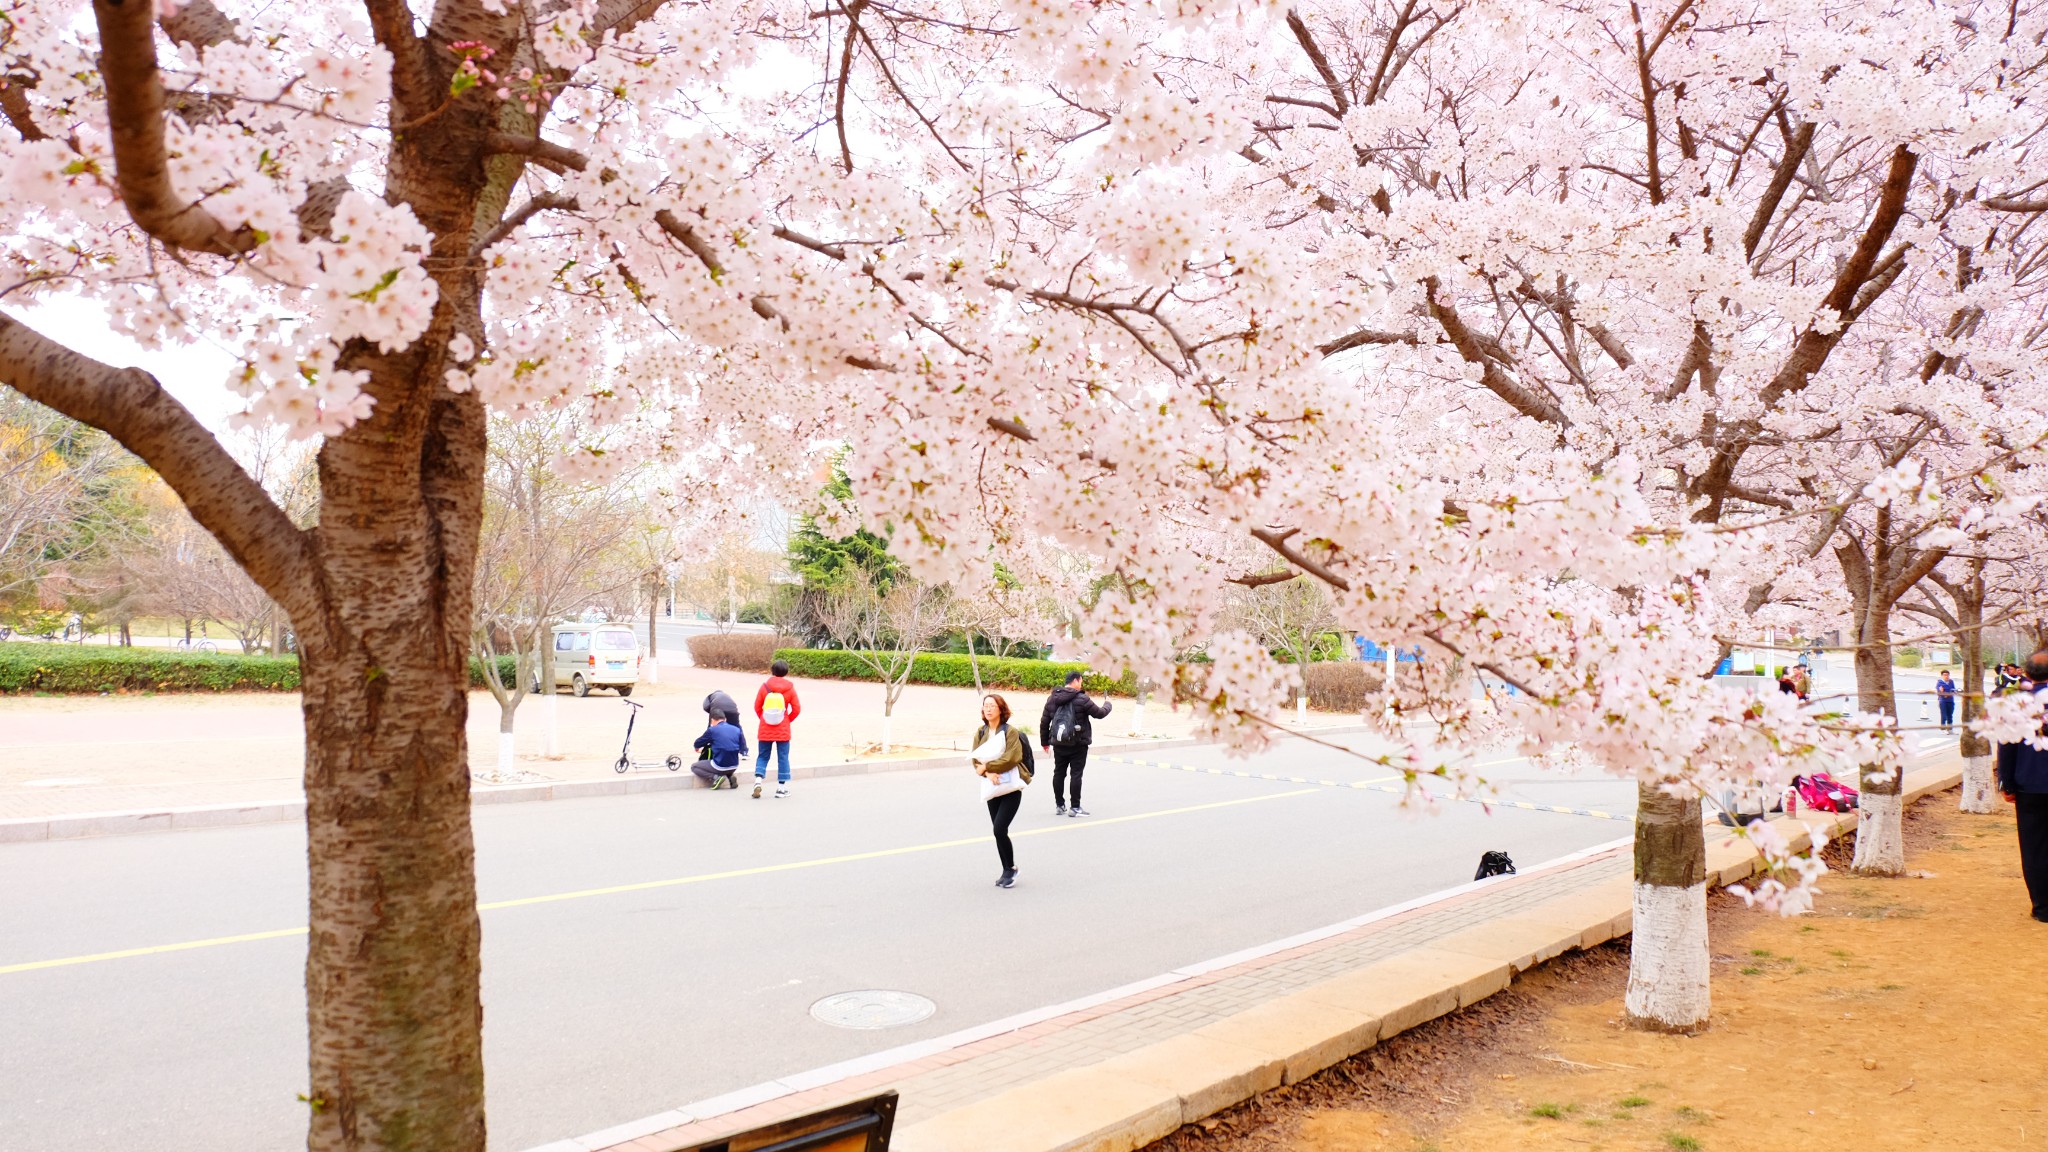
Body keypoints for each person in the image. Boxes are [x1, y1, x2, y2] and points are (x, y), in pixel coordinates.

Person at [1993, 650, 2048, 923]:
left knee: (2034, 847)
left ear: (2025, 674)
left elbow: (2006, 745)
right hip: (2031, 783)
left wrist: (2007, 782)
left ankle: (2042, 907)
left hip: (2029, 784)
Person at [972, 693, 1032, 888]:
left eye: (992, 705)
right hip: (992, 787)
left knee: (999, 828)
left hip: (1011, 788)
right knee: (999, 832)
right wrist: (986, 774)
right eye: (985, 706)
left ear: (1001, 709)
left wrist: (988, 768)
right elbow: (975, 759)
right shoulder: (980, 733)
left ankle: (1011, 869)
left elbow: (1012, 758)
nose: (988, 709)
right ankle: (1007, 869)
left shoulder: (1010, 731)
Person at [1040, 670, 1113, 817]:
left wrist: (1045, 742)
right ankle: (1075, 807)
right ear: (1076, 680)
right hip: (1078, 743)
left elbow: (1044, 722)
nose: (1081, 683)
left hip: (1059, 742)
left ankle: (1060, 805)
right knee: (1076, 774)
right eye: (1081, 681)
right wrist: (1108, 704)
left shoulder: (1052, 698)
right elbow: (1099, 713)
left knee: (1059, 773)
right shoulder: (1082, 698)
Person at [752, 660, 802, 799]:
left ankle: (758, 781)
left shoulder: (764, 687)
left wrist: (764, 719)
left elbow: (757, 706)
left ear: (772, 670)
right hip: (783, 729)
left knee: (762, 756)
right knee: (783, 757)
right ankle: (781, 789)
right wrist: (787, 720)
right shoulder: (790, 689)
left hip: (765, 728)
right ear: (786, 672)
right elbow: (796, 709)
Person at [692, 712, 749, 790]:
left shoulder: (712, 730)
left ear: (713, 720)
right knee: (727, 756)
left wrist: (697, 747)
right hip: (734, 765)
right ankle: (730, 776)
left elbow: (698, 742)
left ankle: (716, 777)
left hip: (719, 765)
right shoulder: (736, 729)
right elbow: (743, 747)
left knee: (694, 767)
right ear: (725, 720)